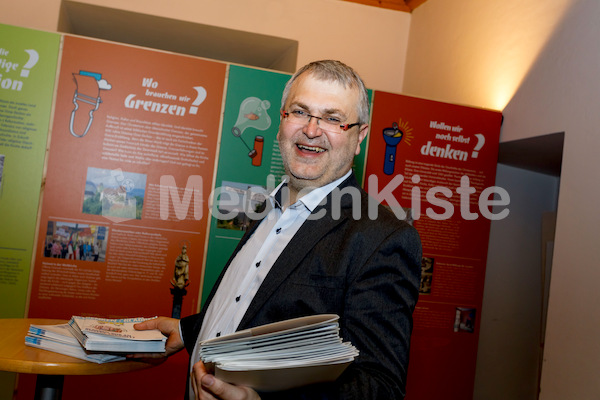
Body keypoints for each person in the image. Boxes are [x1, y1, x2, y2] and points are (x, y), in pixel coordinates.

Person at [134, 60, 422, 400]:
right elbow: (258, 303)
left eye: (332, 118)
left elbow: (379, 388)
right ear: (282, 121)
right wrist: (189, 330)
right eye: (300, 112)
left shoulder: (382, 238)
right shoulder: (269, 206)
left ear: (359, 137)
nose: (312, 130)